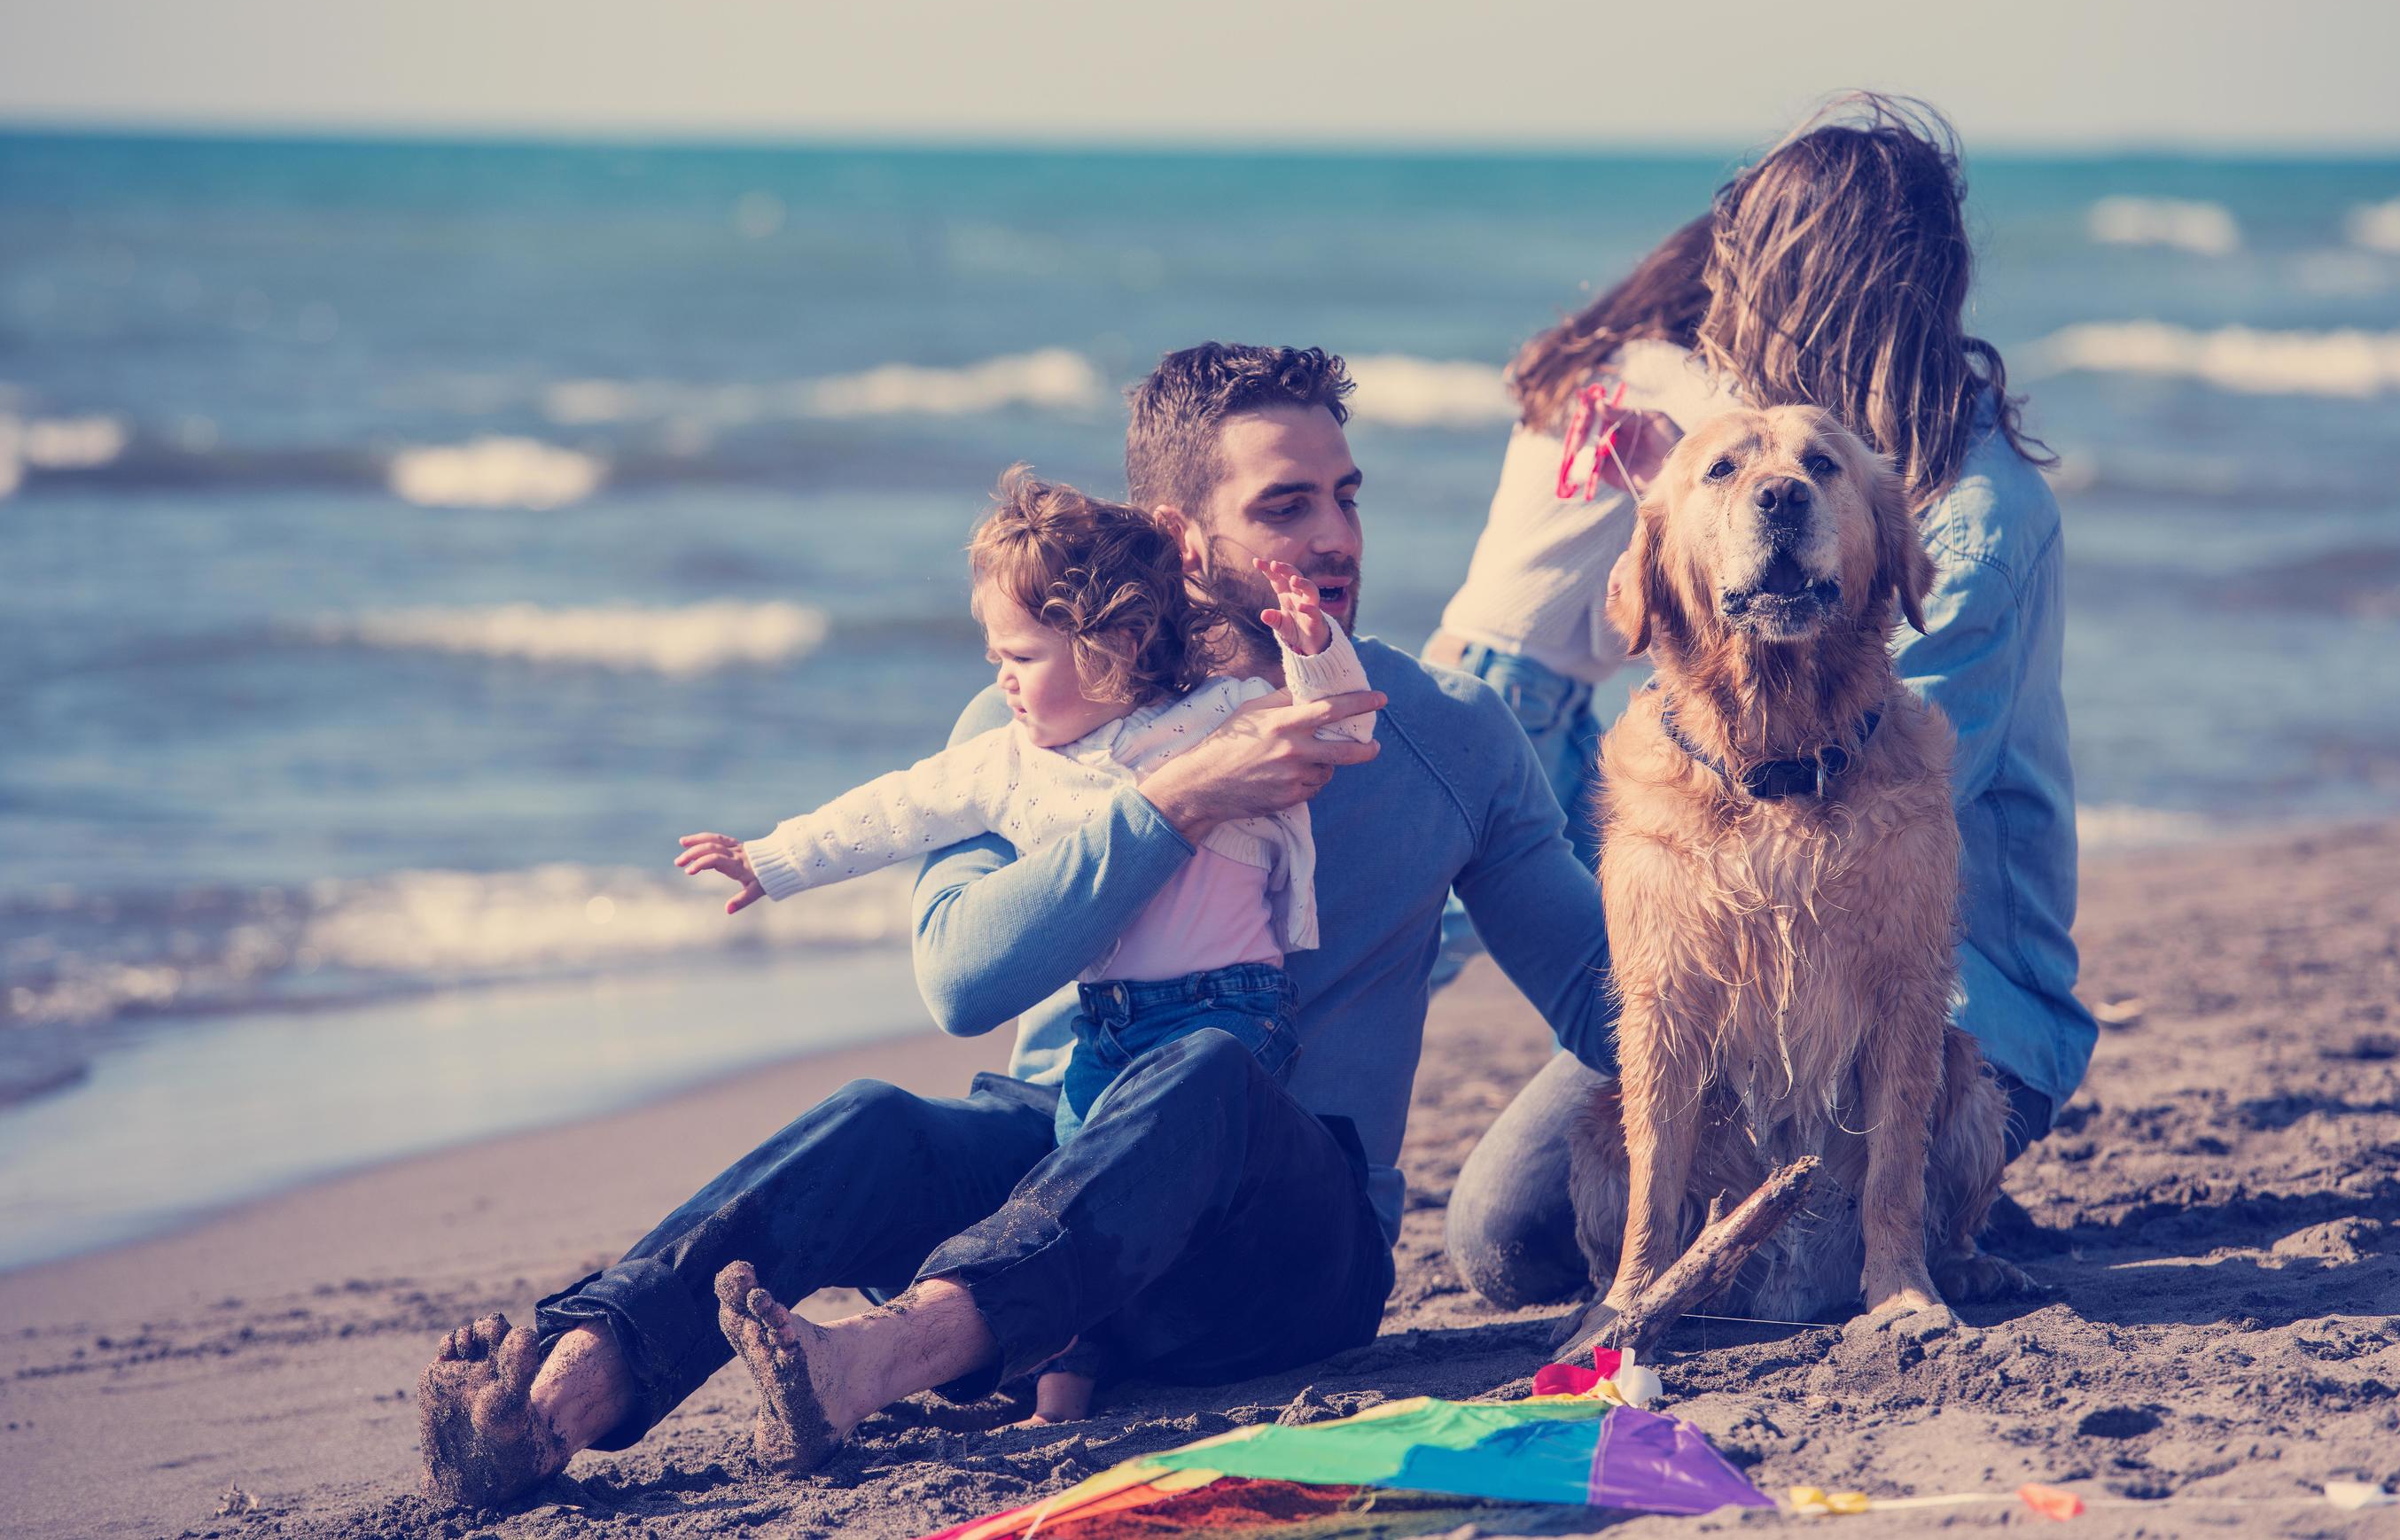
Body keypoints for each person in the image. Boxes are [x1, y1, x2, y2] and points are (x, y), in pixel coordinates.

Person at [417, 343, 1615, 1509]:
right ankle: (560, 1394)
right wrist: (1174, 803)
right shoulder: (1033, 723)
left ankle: (885, 1359)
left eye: (1346, 498)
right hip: (1052, 1182)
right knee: (874, 1125)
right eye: (1287, 506)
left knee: (1207, 1073)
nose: (1336, 537)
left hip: (1286, 1254)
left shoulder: (1448, 735)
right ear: (1177, 540)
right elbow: (961, 982)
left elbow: (1602, 998)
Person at [1445, 95, 2094, 1309]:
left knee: (1535, 1222)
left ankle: (1900, 1213)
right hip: (1746, 965)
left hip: (1950, 1000)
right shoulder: (1747, 454)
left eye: (1740, 274)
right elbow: (1704, 751)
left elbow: (1821, 779)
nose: (1716, 304)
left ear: (1803, 289)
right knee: (1506, 1234)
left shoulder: (1969, 520)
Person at [674, 469, 1372, 1149]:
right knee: (1080, 1164)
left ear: (1117, 645)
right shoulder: (1006, 761)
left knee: (1177, 1137)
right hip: (1105, 1025)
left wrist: (1313, 648)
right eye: (995, 658)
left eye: (1022, 657)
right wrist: (772, 860)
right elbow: (892, 811)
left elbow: (1341, 728)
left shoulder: (1220, 716)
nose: (1001, 679)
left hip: (1232, 1011)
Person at [1423, 218, 1720, 978]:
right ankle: (1306, 1042)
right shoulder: (1654, 369)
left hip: (1525, 677)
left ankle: (1627, 1073)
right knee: (1442, 922)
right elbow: (1739, 422)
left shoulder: (1589, 363)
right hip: (1513, 679)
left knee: (1627, 906)